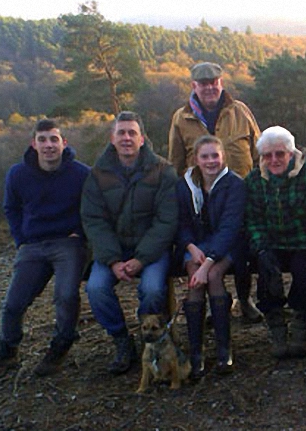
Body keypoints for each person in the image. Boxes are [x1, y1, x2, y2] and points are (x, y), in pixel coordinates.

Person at [0, 119, 90, 380]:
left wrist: (82, 234)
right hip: (34, 245)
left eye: (54, 139)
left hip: (68, 242)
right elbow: (11, 208)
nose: (49, 145)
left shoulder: (81, 173)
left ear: (64, 143)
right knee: (13, 303)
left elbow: (96, 208)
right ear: (34, 144)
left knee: (65, 296)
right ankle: (7, 352)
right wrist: (21, 239)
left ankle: (61, 345)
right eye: (43, 140)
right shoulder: (18, 174)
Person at [81, 111, 178, 375]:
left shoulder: (163, 171)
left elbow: (166, 221)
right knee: (96, 288)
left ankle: (152, 336)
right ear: (112, 139)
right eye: (121, 133)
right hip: (113, 249)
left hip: (151, 249)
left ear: (142, 139)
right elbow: (93, 220)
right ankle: (121, 340)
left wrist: (141, 259)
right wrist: (112, 260)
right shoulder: (97, 175)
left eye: (132, 133)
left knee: (152, 289)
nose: (126, 138)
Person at [168, 61, 262, 323]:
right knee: (210, 251)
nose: (210, 87)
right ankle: (214, 305)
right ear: (193, 86)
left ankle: (244, 299)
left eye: (214, 82)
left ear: (221, 83)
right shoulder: (181, 118)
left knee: (241, 252)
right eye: (203, 83)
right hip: (201, 203)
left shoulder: (240, 112)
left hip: (241, 196)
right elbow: (175, 162)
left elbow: (258, 150)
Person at [245, 126, 306, 360]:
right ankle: (277, 329)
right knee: (266, 273)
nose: (274, 160)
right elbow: (253, 220)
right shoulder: (254, 180)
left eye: (280, 153)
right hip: (272, 243)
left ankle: (302, 325)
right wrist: (260, 247)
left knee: (302, 272)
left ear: (291, 153)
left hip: (305, 241)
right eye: (268, 155)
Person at [175, 135, 245, 379]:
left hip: (226, 245)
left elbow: (230, 228)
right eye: (205, 156)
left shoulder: (234, 184)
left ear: (223, 156)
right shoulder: (184, 185)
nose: (210, 161)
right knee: (195, 278)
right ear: (196, 159)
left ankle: (224, 347)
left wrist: (208, 261)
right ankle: (197, 350)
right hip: (194, 245)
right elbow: (181, 223)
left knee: (213, 275)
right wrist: (191, 247)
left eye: (215, 155)